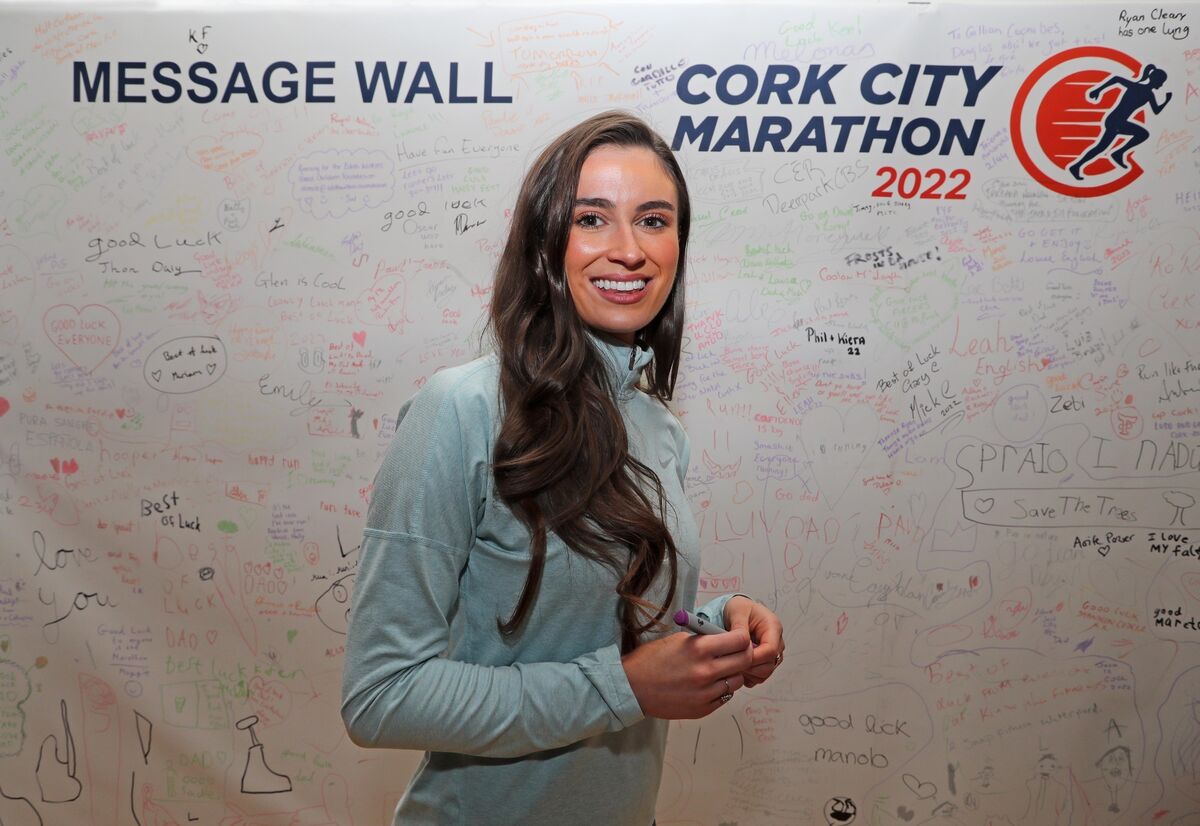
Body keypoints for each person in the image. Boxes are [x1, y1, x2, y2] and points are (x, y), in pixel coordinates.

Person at [341, 111, 784, 825]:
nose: (629, 249)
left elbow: (602, 629)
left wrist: (711, 624)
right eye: (592, 219)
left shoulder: (659, 430)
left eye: (653, 220)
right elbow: (380, 695)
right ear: (546, 241)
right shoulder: (462, 409)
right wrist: (624, 688)